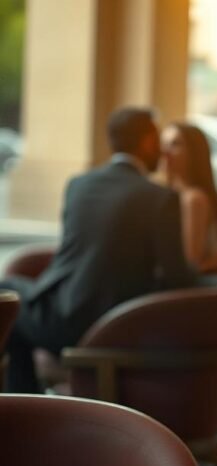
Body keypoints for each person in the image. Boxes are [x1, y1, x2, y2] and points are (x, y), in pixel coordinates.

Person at [0, 107, 196, 393]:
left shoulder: (78, 184)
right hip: (114, 325)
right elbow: (180, 277)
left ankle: (26, 407)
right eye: (158, 141)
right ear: (146, 142)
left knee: (7, 298)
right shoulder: (160, 198)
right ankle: (30, 406)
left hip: (66, 315)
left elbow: (73, 256)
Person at [161, 122, 217, 273]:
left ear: (194, 153)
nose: (166, 152)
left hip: (193, 291)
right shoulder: (170, 193)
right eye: (164, 144)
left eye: (175, 144)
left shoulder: (194, 199)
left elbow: (193, 265)